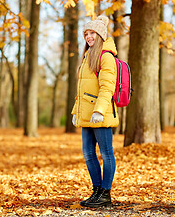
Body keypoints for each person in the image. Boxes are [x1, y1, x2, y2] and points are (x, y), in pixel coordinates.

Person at [71, 15, 119, 208]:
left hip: (101, 114)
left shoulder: (106, 57)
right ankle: (97, 191)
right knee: (88, 153)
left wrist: (99, 111)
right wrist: (76, 111)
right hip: (86, 114)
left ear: (100, 35)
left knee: (106, 153)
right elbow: (82, 91)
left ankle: (106, 193)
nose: (89, 37)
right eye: (86, 33)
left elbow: (107, 87)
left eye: (92, 33)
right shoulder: (87, 56)